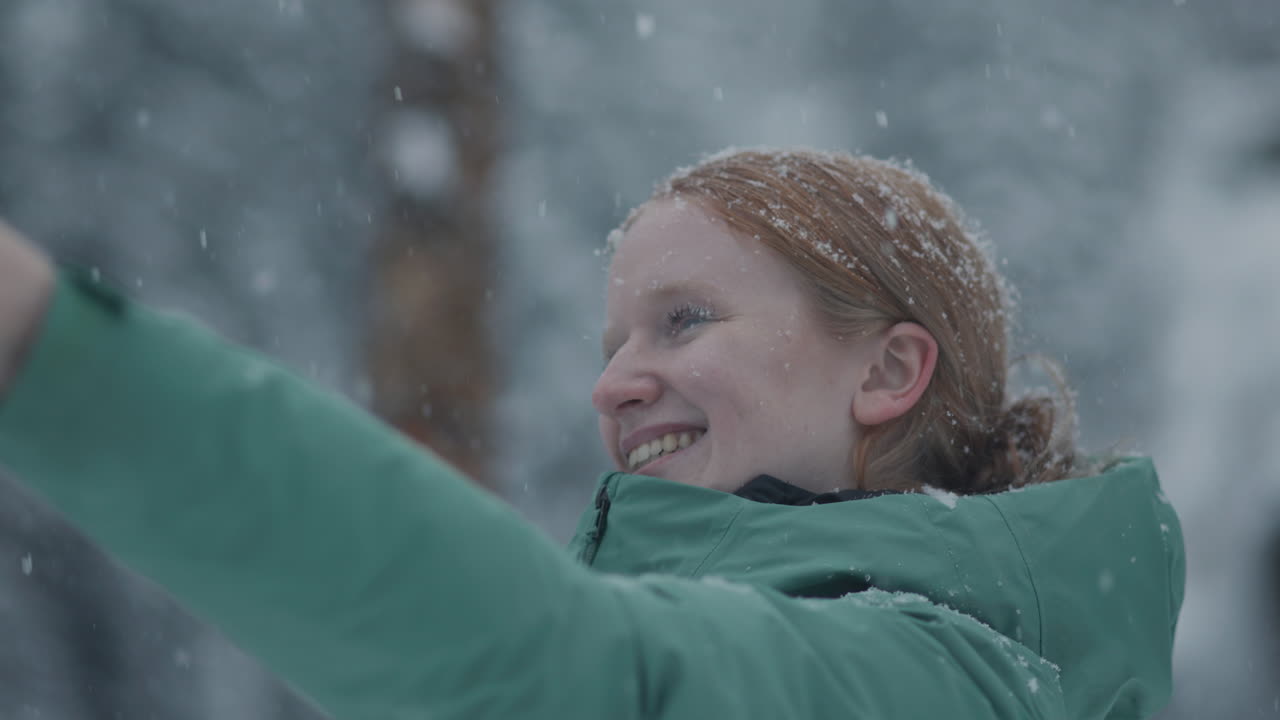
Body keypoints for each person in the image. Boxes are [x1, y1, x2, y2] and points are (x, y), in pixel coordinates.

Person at [0, 149, 1184, 719]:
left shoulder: (940, 682)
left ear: (885, 370)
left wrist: (51, 356)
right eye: (612, 342)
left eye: (683, 320)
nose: (614, 386)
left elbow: (575, 673)